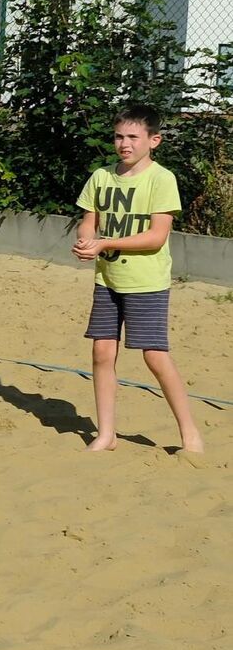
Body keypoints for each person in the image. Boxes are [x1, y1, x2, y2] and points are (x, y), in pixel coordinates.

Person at [72, 104, 204, 454]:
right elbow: (90, 219)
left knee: (154, 356)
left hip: (146, 282)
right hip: (108, 280)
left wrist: (105, 243)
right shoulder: (101, 176)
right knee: (102, 352)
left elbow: (156, 236)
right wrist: (88, 238)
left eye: (133, 136)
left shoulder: (162, 179)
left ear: (153, 140)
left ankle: (189, 433)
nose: (124, 143)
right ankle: (106, 433)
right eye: (119, 136)